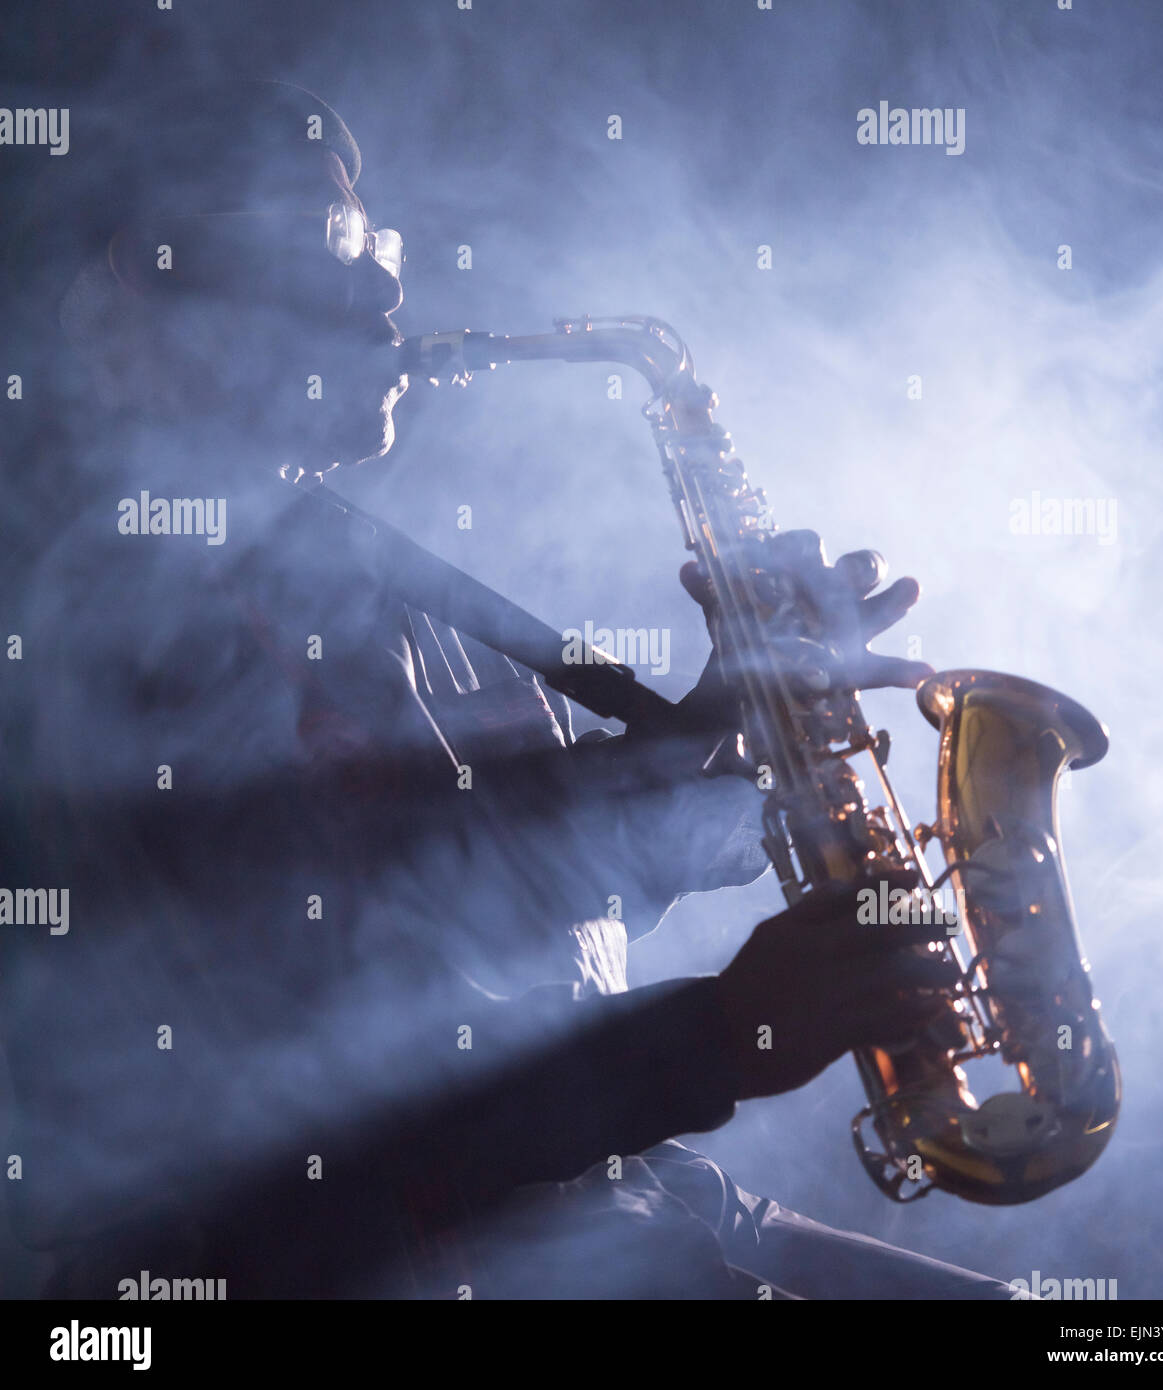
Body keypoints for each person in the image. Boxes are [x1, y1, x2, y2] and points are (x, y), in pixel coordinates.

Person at [0, 79, 1016, 1299]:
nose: (383, 286)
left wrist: (747, 719)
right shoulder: (122, 629)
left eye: (372, 241)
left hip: (589, 1183)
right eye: (321, 247)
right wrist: (727, 1029)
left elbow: (540, 882)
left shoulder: (364, 580)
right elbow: (328, 1110)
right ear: (157, 311)